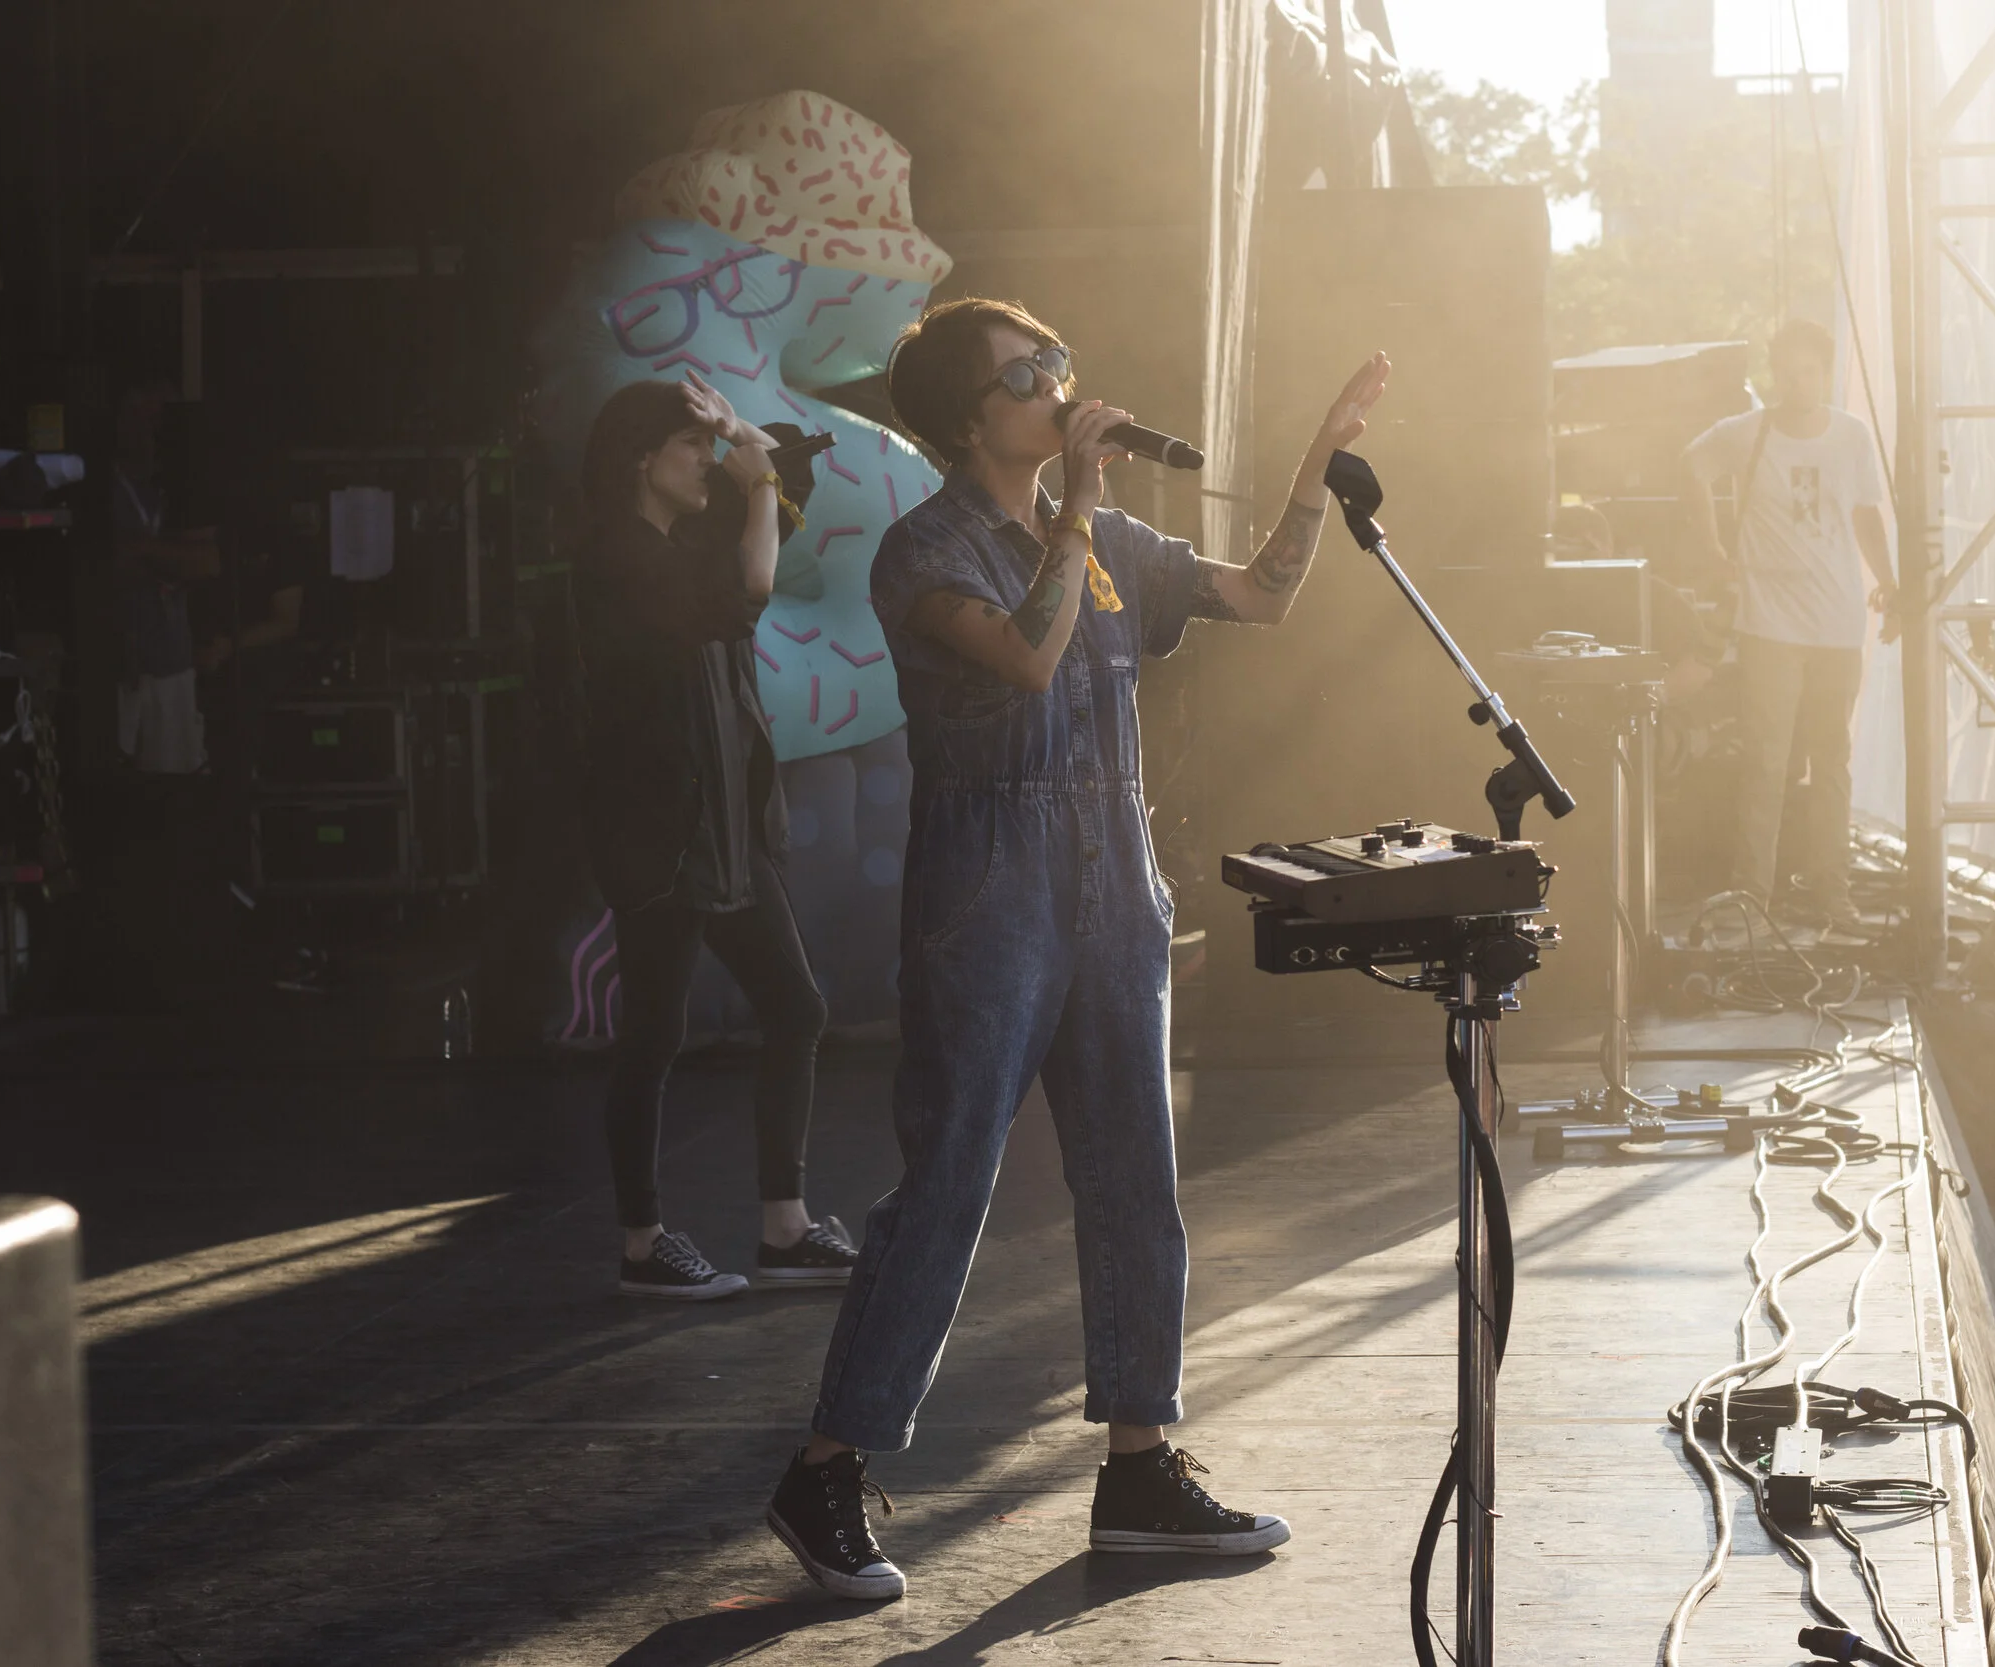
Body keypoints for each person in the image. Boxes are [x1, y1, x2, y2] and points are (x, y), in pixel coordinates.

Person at [764, 296, 1392, 1600]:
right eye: (1028, 373)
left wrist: (1311, 470)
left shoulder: (1102, 536)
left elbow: (1261, 596)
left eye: (1060, 360)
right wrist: (1081, 502)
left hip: (1115, 883)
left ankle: (1140, 1465)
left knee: (1134, 1183)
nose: (1060, 383)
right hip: (988, 895)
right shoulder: (923, 549)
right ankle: (826, 1466)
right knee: (948, 1182)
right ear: (967, 416)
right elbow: (1030, 655)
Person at [575, 373, 846, 1301]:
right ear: (641, 458)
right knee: (654, 1031)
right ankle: (643, 1244)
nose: (706, 463)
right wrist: (757, 481)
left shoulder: (683, 536)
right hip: (660, 829)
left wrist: (747, 445)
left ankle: (785, 1226)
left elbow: (773, 518)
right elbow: (750, 585)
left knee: (795, 1007)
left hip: (728, 821)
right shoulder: (617, 555)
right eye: (688, 447)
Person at [1678, 319, 1896, 925]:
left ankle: (1833, 892)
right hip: (1770, 624)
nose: (1799, 383)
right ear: (1776, 374)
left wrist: (1890, 581)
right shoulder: (1749, 432)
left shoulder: (1850, 436)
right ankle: (1754, 894)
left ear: (1826, 373)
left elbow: (1865, 516)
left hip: (1837, 624)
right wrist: (1713, 550)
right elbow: (1690, 467)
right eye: (1789, 371)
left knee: (1831, 761)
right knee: (1767, 762)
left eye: (1810, 371)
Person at [110, 385, 221, 774]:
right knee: (116, 789)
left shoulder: (174, 490)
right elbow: (111, 564)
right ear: (121, 425)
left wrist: (144, 549)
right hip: (121, 665)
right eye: (140, 419)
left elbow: (205, 563)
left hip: (173, 662)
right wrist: (168, 556)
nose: (149, 431)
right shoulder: (105, 491)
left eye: (156, 421)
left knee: (173, 788)